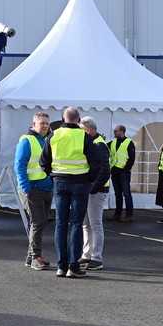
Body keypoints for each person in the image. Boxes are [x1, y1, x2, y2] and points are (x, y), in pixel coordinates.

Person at [40, 107, 105, 278]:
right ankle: (73, 266)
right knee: (76, 224)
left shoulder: (54, 135)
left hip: (60, 182)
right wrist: (88, 179)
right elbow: (97, 162)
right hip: (80, 183)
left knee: (61, 223)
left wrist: (52, 175)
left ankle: (61, 265)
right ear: (78, 120)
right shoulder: (83, 136)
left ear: (63, 118)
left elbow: (43, 161)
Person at [14, 111, 54, 270]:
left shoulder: (46, 140)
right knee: (37, 222)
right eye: (41, 123)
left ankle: (31, 257)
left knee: (40, 222)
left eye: (46, 123)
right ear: (34, 124)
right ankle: (36, 257)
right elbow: (20, 166)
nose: (44, 126)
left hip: (45, 188)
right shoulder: (26, 140)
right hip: (32, 189)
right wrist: (26, 188)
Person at [80, 116, 111, 271]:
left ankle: (96, 257)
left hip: (97, 190)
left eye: (82, 130)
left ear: (90, 130)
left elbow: (105, 170)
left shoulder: (99, 145)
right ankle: (87, 254)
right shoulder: (93, 143)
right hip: (92, 189)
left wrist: (92, 187)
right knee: (86, 224)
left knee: (95, 224)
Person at [109, 125, 135, 222]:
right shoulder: (113, 142)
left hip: (124, 173)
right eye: (114, 131)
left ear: (122, 131)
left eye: (116, 131)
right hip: (115, 171)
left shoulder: (129, 143)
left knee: (126, 194)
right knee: (117, 194)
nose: (114, 133)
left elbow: (132, 159)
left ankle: (129, 215)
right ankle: (117, 214)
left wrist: (125, 169)